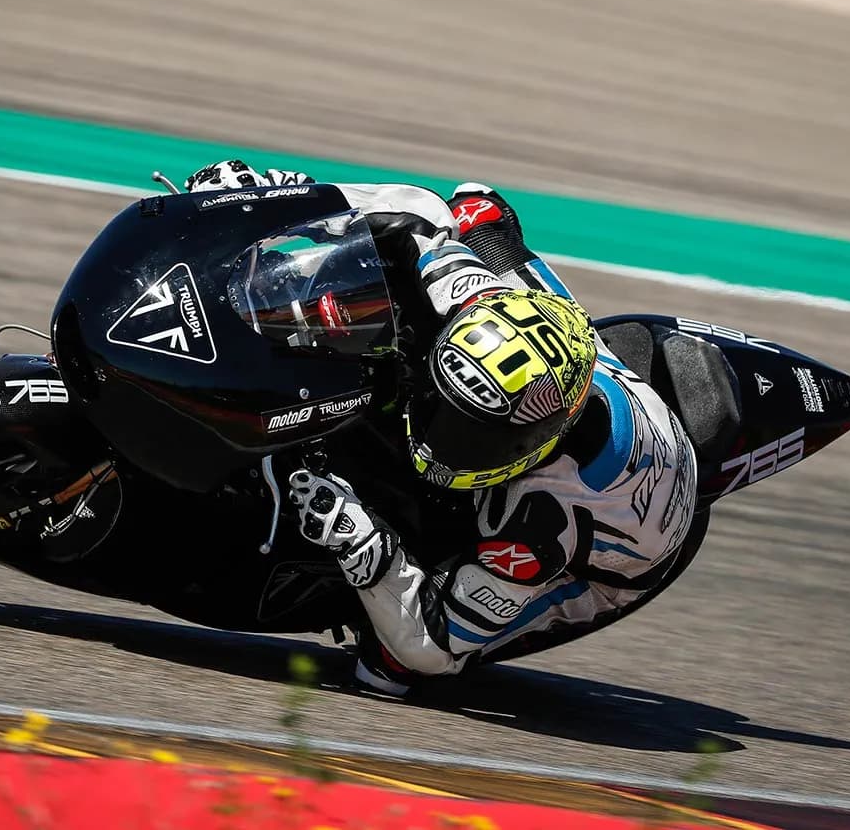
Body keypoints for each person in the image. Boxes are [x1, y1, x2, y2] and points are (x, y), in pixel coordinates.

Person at [184, 161, 701, 695]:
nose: (440, 437)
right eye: (447, 410)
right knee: (474, 215)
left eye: (469, 432)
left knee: (393, 666)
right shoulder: (474, 300)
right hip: (578, 370)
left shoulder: (541, 526)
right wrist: (273, 194)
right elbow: (422, 209)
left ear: (532, 442)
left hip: (606, 566)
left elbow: (430, 647)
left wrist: (363, 544)